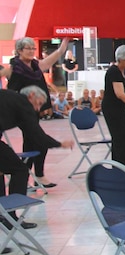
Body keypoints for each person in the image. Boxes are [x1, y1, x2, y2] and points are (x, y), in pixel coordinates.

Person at [0, 36, 69, 188]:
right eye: (28, 48)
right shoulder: (14, 67)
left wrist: (61, 49)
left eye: (33, 48)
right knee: (37, 140)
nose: (32, 51)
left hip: (33, 109)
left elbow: (50, 60)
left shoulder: (36, 66)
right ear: (19, 51)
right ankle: (34, 175)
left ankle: (30, 175)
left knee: (32, 141)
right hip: (18, 110)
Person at [0, 87, 73, 229]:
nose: (38, 108)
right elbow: (37, 136)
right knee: (20, 170)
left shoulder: (10, 98)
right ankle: (10, 217)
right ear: (31, 95)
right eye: (38, 103)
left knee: (2, 167)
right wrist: (60, 144)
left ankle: (4, 215)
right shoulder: (24, 103)